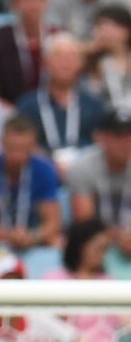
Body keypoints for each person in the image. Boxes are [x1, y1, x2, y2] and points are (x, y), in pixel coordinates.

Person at [0, 113, 61, 252]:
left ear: (34, 146)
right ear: (2, 143)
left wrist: (32, 237)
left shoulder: (45, 170)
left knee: (58, 243)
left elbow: (53, 222)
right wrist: (7, 236)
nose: (17, 155)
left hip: (32, 243)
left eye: (24, 149)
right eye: (12, 148)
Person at [16, 32, 105, 175]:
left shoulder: (95, 105)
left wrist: (80, 167)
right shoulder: (28, 105)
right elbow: (22, 144)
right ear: (45, 62)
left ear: (81, 63)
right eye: (58, 56)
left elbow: (102, 144)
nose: (65, 62)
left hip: (85, 175)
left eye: (72, 57)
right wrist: (50, 165)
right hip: (42, 175)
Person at [67, 109, 131, 263]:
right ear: (102, 138)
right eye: (118, 136)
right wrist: (118, 236)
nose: (125, 142)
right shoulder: (84, 166)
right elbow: (85, 220)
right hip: (96, 245)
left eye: (129, 136)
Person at [85, 4, 131, 115]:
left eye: (113, 26)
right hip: (105, 122)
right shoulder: (92, 62)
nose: (106, 31)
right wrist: (93, 48)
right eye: (100, 26)